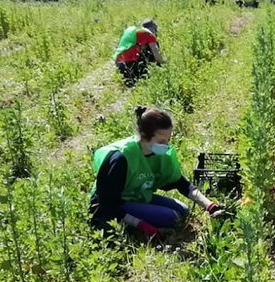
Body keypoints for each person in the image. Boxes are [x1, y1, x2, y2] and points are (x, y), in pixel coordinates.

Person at [89, 106, 224, 238]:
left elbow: (179, 182)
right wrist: (142, 226)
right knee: (171, 217)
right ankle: (129, 228)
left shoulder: (160, 153)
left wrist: (209, 205)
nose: (166, 145)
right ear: (144, 136)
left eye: (168, 140)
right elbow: (107, 204)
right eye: (161, 141)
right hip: (113, 204)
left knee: (183, 211)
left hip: (137, 195)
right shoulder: (120, 158)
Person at [113, 19, 165, 87]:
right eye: (156, 30)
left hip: (119, 65)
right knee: (153, 46)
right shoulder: (149, 35)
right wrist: (165, 63)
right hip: (131, 65)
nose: (156, 32)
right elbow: (156, 54)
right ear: (152, 28)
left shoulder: (133, 31)